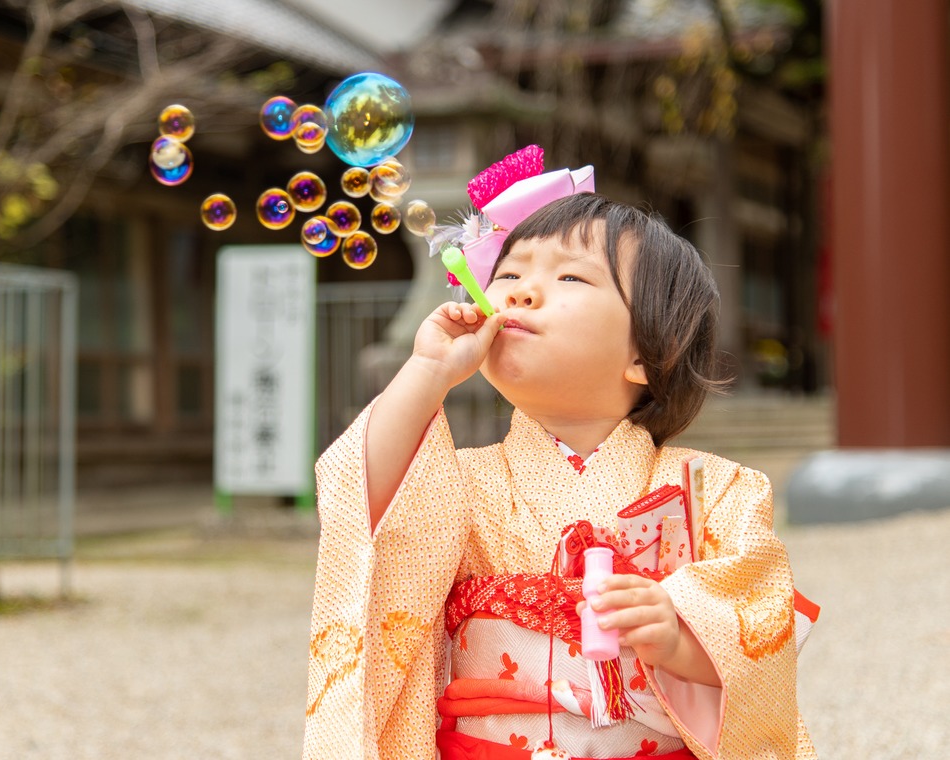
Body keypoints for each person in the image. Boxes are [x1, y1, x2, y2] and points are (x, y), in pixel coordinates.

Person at [303, 151, 816, 760]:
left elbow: (760, 626)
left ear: (645, 356)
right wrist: (427, 374)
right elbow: (362, 509)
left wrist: (681, 636)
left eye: (570, 277)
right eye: (509, 275)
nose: (520, 293)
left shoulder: (718, 490)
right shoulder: (460, 481)